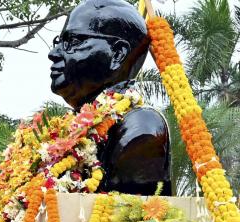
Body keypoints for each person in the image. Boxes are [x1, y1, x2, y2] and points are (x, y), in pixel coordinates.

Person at [48, 0, 170, 195]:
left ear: (117, 54)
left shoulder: (140, 126)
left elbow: (125, 218)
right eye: (58, 42)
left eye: (72, 42)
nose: (53, 53)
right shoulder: (71, 128)